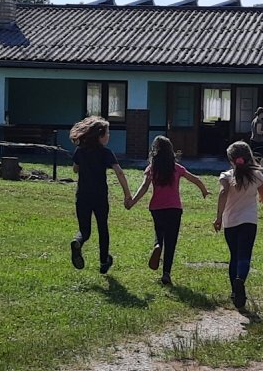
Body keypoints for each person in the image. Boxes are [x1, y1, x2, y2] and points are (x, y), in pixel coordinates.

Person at [128, 136, 210, 285]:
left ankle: (157, 245)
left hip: (156, 208)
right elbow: (195, 179)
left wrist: (132, 202)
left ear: (155, 151)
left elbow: (144, 187)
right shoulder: (177, 168)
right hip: (174, 208)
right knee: (171, 241)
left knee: (159, 231)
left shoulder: (152, 168)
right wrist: (204, 190)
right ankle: (166, 273)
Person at [69, 116, 132, 273]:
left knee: (84, 231)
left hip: (82, 196)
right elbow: (119, 172)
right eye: (107, 133)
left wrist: (82, 165)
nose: (109, 136)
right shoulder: (106, 153)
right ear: (100, 136)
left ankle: (77, 242)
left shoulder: (80, 151)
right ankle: (104, 261)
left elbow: (75, 169)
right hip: (100, 197)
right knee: (103, 228)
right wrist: (127, 194)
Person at [213, 141, 263, 309]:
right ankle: (241, 280)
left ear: (231, 160)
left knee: (234, 256)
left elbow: (223, 193)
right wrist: (262, 198)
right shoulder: (257, 176)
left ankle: (234, 291)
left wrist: (218, 217)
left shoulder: (226, 176)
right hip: (249, 221)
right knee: (245, 256)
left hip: (230, 222)